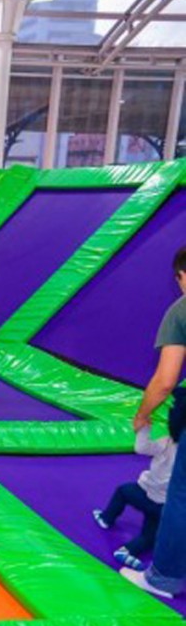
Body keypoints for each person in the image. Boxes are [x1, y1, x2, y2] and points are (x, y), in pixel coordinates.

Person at [121, 245, 186, 598]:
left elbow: (165, 381)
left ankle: (163, 579)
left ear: (181, 277)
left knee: (182, 496)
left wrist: (142, 414)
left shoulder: (181, 310)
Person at [94, 389, 183, 569]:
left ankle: (106, 518)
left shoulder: (167, 442)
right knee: (149, 536)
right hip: (164, 507)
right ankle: (128, 550)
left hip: (145, 493)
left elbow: (141, 448)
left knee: (123, 491)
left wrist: (144, 428)